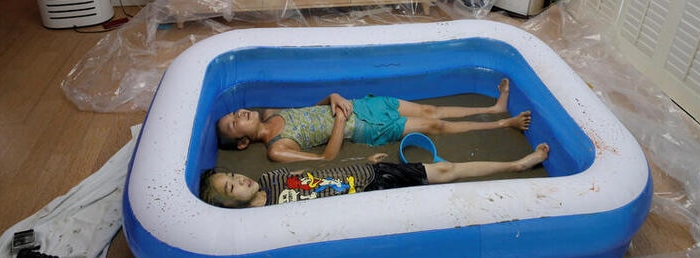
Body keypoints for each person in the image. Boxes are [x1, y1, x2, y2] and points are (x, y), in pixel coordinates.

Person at [217, 78, 532, 163]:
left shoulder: (271, 113)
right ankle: (504, 124)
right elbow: (326, 158)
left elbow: (313, 110)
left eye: (232, 114)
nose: (237, 115)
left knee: (429, 110)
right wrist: (340, 120)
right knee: (435, 127)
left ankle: (494, 108)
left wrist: (334, 96)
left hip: (362, 105)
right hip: (364, 127)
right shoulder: (277, 148)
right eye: (233, 123)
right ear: (243, 142)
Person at [199, 143, 550, 208]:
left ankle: (518, 165)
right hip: (370, 203)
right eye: (232, 185)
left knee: (446, 171)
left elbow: (318, 172)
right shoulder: (268, 212)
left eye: (233, 174)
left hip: (371, 173)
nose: (241, 178)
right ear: (232, 205)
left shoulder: (271, 180)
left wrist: (362, 158)